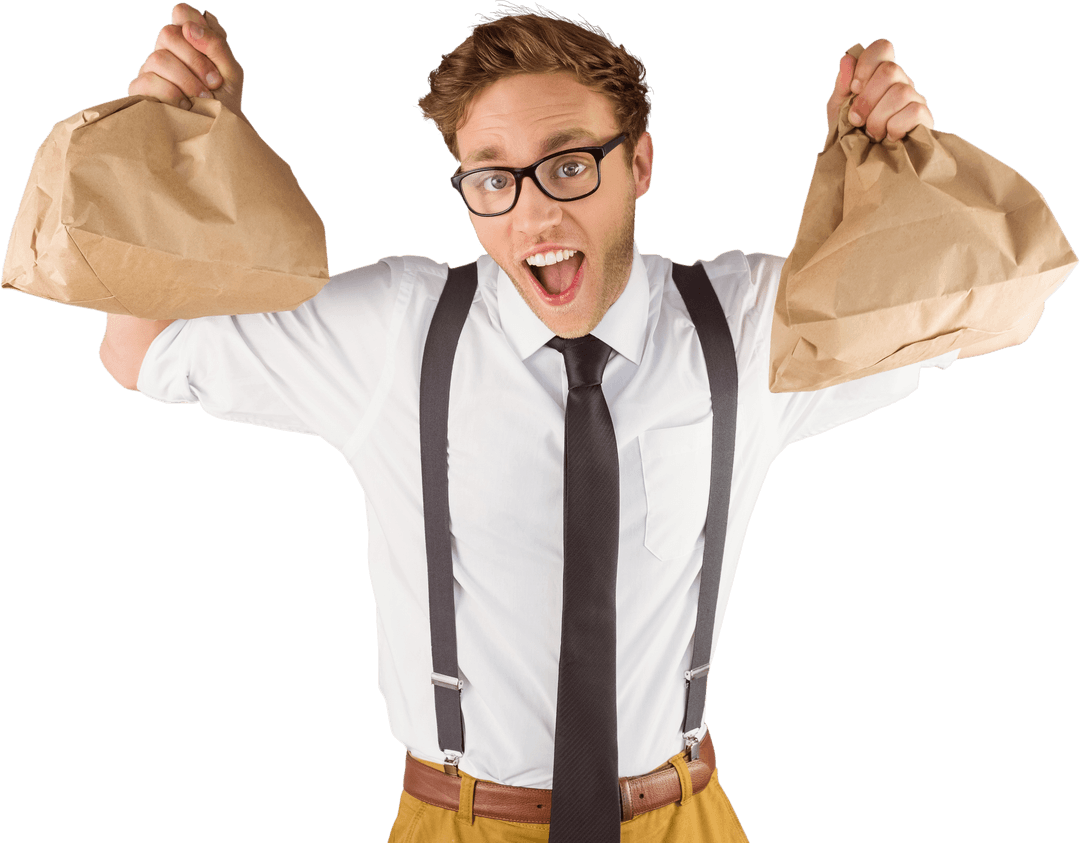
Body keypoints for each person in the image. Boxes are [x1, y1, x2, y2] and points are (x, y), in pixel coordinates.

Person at [25, 2, 1069, 842]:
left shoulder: (747, 324)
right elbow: (140, 345)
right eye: (494, 178)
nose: (534, 211)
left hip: (682, 819)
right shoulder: (399, 327)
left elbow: (970, 316)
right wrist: (180, 145)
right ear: (468, 191)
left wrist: (897, 162)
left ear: (639, 164)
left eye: (570, 164)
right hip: (459, 823)